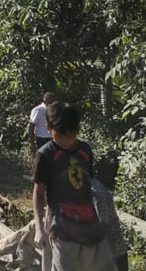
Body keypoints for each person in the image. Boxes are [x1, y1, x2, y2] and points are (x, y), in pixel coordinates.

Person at [32, 101, 115, 270]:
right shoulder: (45, 155)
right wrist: (39, 229)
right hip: (60, 225)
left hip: (89, 222)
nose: (65, 141)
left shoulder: (85, 150)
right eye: (59, 136)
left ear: (78, 129)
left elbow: (89, 185)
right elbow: (39, 194)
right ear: (48, 129)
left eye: (70, 136)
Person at [29, 92, 55, 158]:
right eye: (49, 100)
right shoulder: (38, 110)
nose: (51, 102)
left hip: (53, 138)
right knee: (44, 158)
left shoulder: (54, 110)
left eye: (52, 100)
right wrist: (32, 144)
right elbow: (31, 126)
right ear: (44, 100)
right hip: (42, 138)